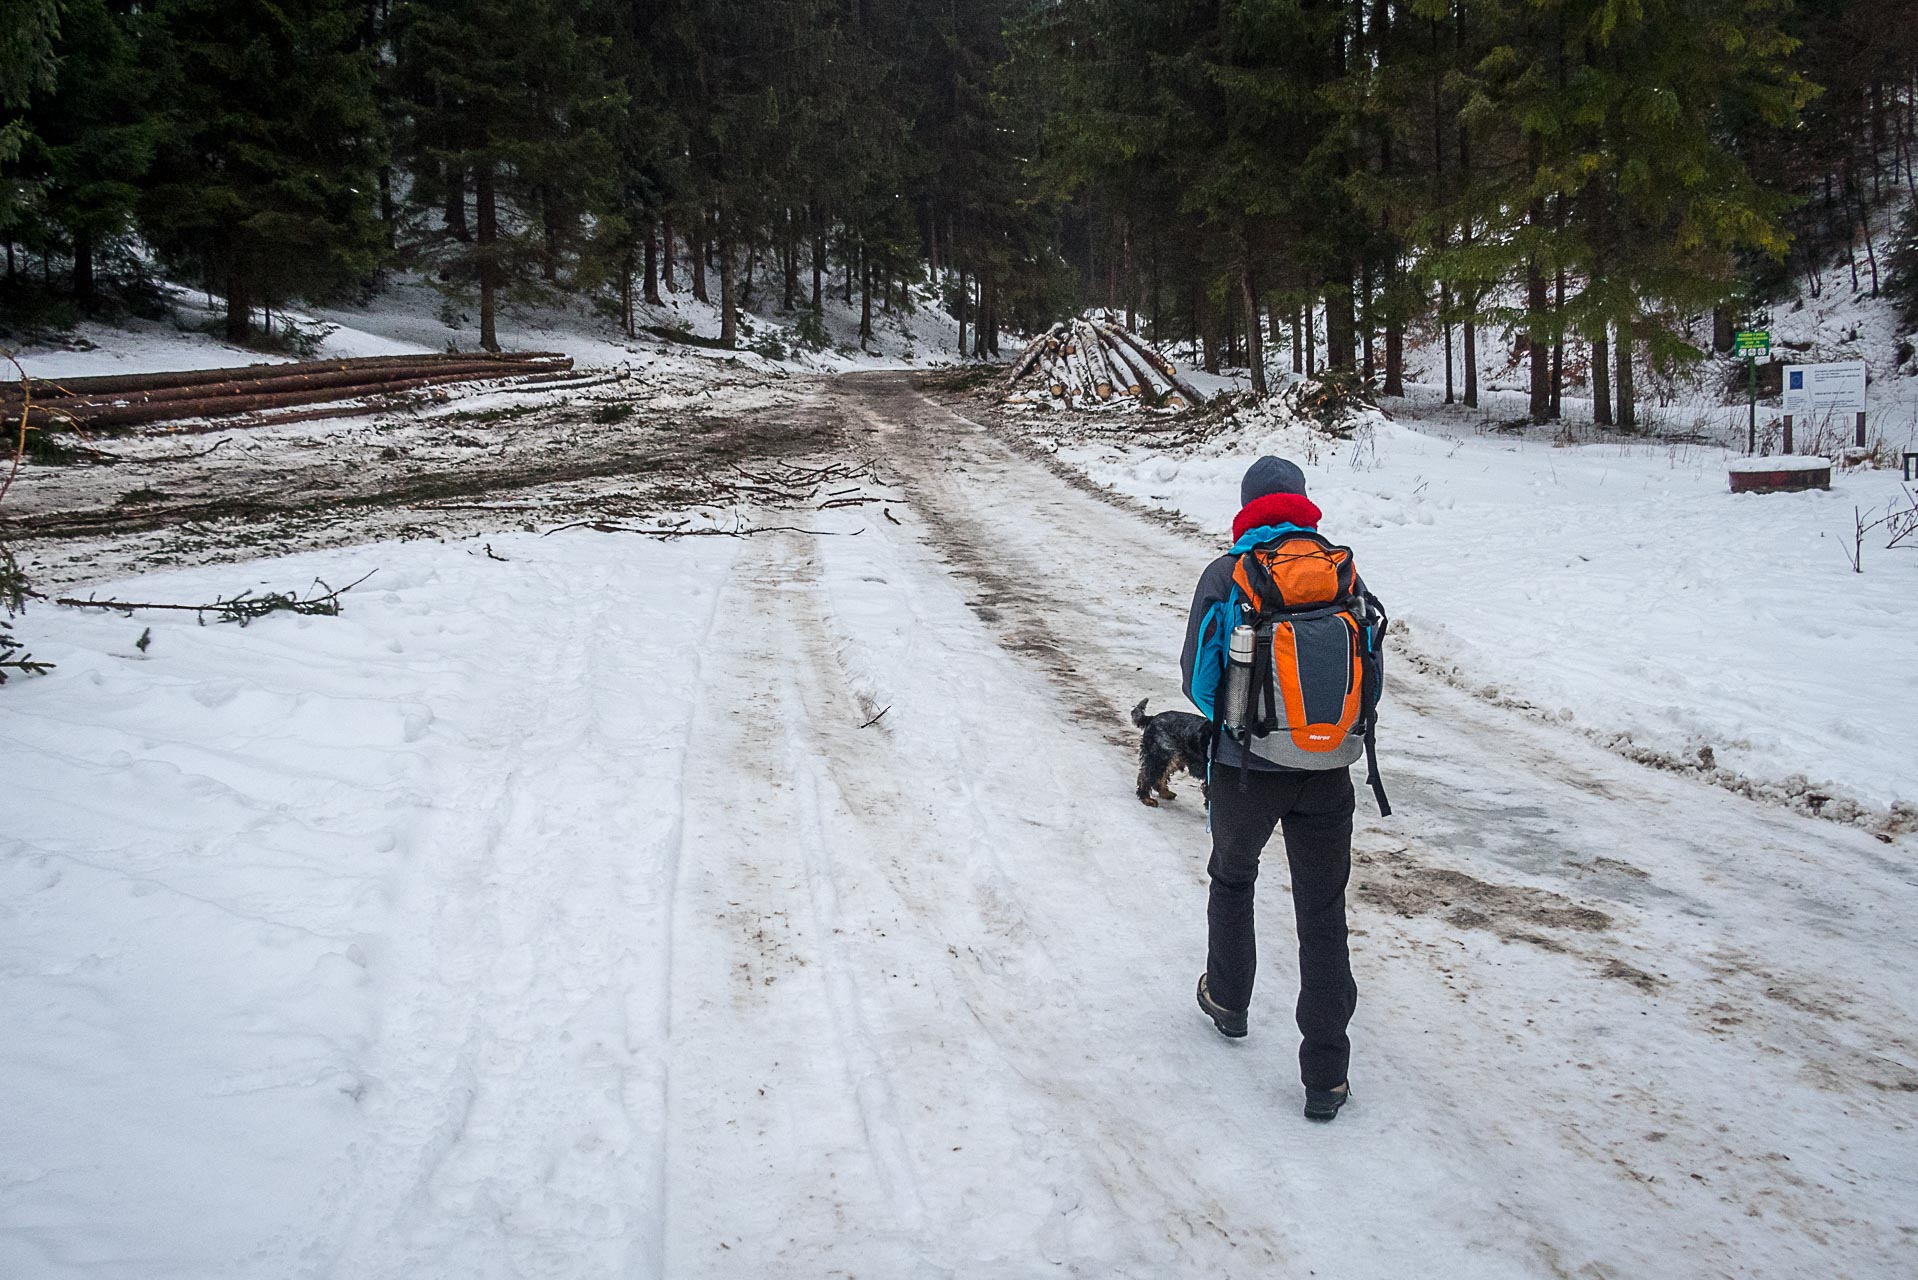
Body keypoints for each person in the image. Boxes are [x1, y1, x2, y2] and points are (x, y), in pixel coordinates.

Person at [1179, 456, 1363, 1122]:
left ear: (1248, 506)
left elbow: (1196, 681)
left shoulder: (1229, 573)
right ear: (1303, 503)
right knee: (1322, 913)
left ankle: (1228, 1002)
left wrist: (1239, 722)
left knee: (1233, 878)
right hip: (1328, 770)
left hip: (1246, 769)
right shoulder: (1342, 568)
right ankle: (1327, 1078)